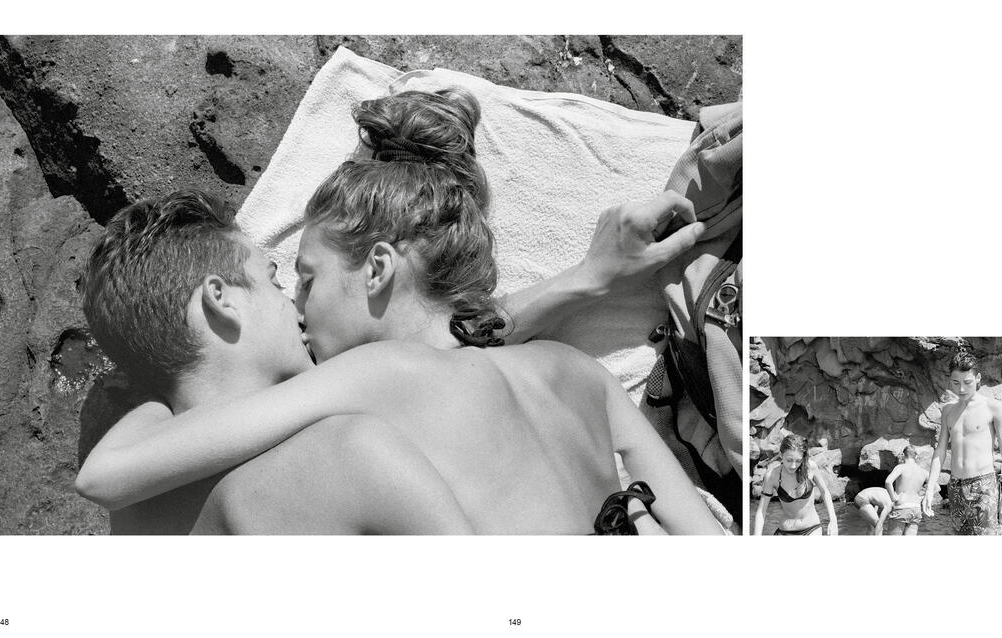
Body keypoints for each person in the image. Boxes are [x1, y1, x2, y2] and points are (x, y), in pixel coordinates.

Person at [76, 88, 722, 535]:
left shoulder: (362, 387)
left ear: (380, 267)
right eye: (282, 281)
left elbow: (435, 350)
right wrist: (583, 281)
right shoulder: (576, 373)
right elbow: (445, 344)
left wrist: (584, 280)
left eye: (306, 279)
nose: (297, 305)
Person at [923, 353, 1002, 535]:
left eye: (967, 382)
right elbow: (940, 450)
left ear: (978, 378)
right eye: (956, 383)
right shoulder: (948, 411)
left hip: (983, 486)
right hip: (955, 487)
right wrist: (930, 488)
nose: (961, 388)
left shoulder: (993, 407)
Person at [753, 434, 838, 536]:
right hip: (785, 532)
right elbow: (761, 511)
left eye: (798, 461)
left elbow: (824, 492)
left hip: (812, 529)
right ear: (781, 455)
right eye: (789, 460)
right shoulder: (772, 476)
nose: (793, 466)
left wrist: (833, 520)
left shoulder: (811, 467)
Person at [884, 445, 929, 536]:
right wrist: (923, 497)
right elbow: (936, 487)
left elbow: (888, 482)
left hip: (902, 507)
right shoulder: (924, 472)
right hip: (916, 508)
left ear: (903, 455)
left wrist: (893, 498)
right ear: (915, 456)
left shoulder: (901, 467)